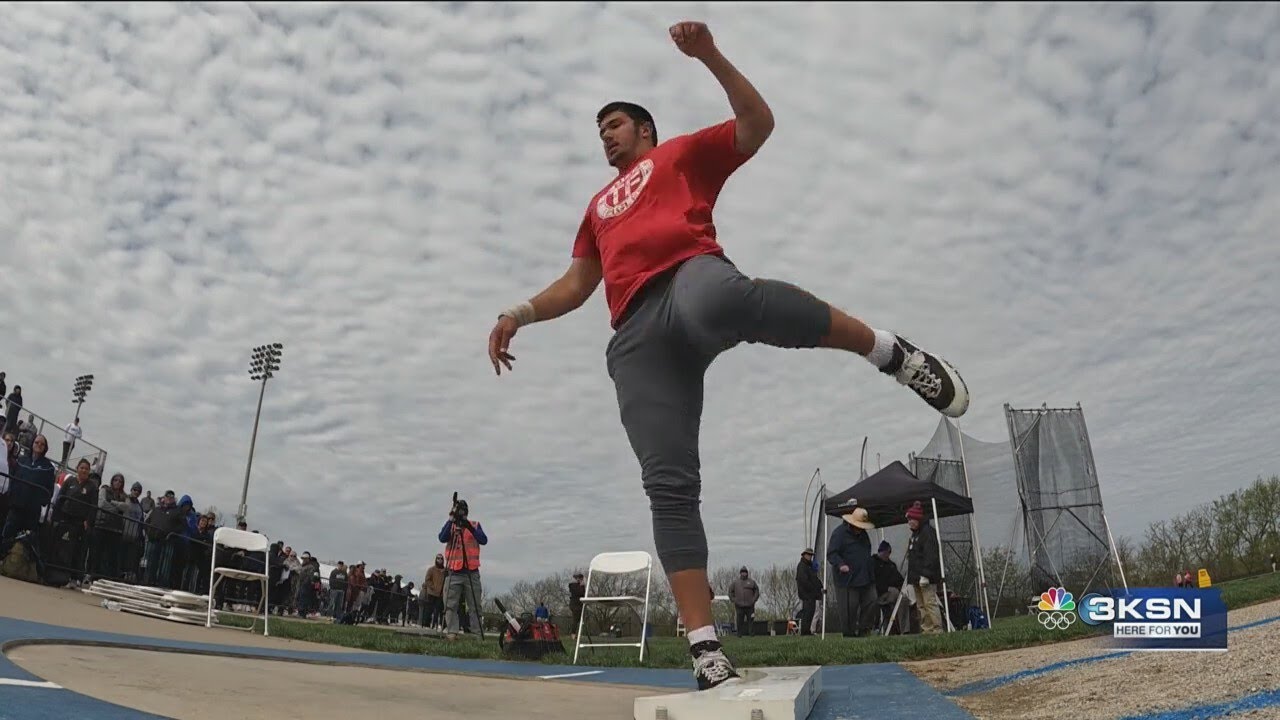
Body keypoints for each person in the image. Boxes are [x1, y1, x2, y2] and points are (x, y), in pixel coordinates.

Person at [484, 20, 969, 689]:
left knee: (720, 301)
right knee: (668, 483)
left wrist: (709, 55)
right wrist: (519, 312)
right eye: (598, 129)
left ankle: (889, 352)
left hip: (689, 279)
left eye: (616, 123)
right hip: (637, 336)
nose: (605, 134)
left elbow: (757, 123)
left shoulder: (679, 155)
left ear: (645, 131)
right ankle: (705, 648)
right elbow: (577, 282)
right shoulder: (596, 207)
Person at [439, 498, 487, 640]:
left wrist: (469, 527)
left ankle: (477, 634)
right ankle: (452, 632)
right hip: (454, 571)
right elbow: (442, 537)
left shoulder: (475, 525)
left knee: (475, 606)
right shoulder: (452, 526)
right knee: (449, 603)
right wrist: (451, 520)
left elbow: (483, 540)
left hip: (471, 572)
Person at [1, 435, 55, 559]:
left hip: (32, 510)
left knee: (27, 539)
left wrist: (42, 501)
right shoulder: (21, 460)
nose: (39, 445)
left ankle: (21, 564)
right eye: (37, 442)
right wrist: (12, 494)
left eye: (42, 444)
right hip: (16, 506)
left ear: (45, 447)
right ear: (32, 443)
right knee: (8, 534)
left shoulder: (48, 467)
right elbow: (12, 478)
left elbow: (49, 489)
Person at [828, 507, 877, 637]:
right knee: (850, 608)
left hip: (865, 576)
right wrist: (841, 564)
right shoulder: (839, 534)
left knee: (872, 600)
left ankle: (864, 631)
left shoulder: (863, 535)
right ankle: (849, 635)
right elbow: (832, 553)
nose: (861, 528)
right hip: (847, 579)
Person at [905, 501, 943, 634]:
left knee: (929, 603)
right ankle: (927, 630)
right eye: (908, 519)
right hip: (916, 577)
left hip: (926, 577)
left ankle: (937, 629)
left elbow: (931, 555)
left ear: (919, 519)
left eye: (912, 519)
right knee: (921, 606)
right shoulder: (915, 534)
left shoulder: (927, 533)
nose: (910, 522)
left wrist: (926, 575)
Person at [872, 540, 907, 635]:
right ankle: (876, 627)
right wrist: (886, 588)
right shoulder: (872, 563)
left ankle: (904, 629)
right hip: (877, 594)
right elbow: (873, 581)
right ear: (881, 551)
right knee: (895, 594)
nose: (887, 555)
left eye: (889, 552)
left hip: (891, 594)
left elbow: (899, 579)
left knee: (903, 599)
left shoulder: (891, 565)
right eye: (886, 552)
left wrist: (904, 584)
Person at [794, 548, 823, 636]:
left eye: (811, 555)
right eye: (808, 555)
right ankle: (804, 631)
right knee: (807, 613)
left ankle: (807, 630)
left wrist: (820, 586)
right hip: (806, 594)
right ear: (804, 555)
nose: (810, 556)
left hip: (811, 595)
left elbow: (814, 579)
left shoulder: (809, 566)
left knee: (811, 612)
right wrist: (813, 589)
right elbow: (804, 581)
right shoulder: (802, 566)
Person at [727, 567, 760, 637]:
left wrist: (754, 600)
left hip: (750, 606)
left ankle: (752, 634)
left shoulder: (752, 582)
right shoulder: (735, 583)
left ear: (747, 573)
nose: (744, 573)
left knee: (751, 621)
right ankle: (739, 634)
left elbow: (757, 591)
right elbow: (730, 591)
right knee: (739, 621)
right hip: (739, 606)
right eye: (742, 572)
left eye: (745, 572)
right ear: (740, 573)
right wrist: (733, 600)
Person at [568, 572, 586, 637]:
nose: (580, 580)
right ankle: (573, 633)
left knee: (580, 619)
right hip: (575, 604)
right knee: (575, 619)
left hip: (580, 604)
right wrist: (582, 586)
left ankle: (578, 633)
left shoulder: (580, 586)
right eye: (579, 578)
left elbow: (583, 594)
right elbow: (580, 592)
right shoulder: (573, 586)